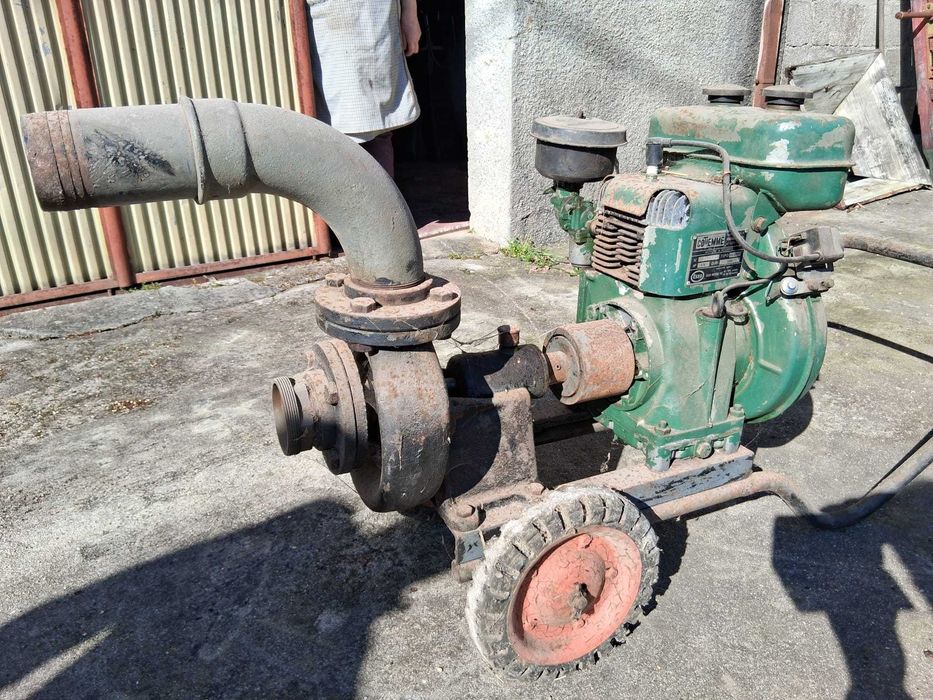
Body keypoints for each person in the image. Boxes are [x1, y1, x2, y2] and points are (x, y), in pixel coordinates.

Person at [306, 0, 422, 178]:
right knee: (336, 126)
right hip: (329, 22)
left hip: (375, 19)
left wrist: (410, 15)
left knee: (378, 124)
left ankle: (382, 202)